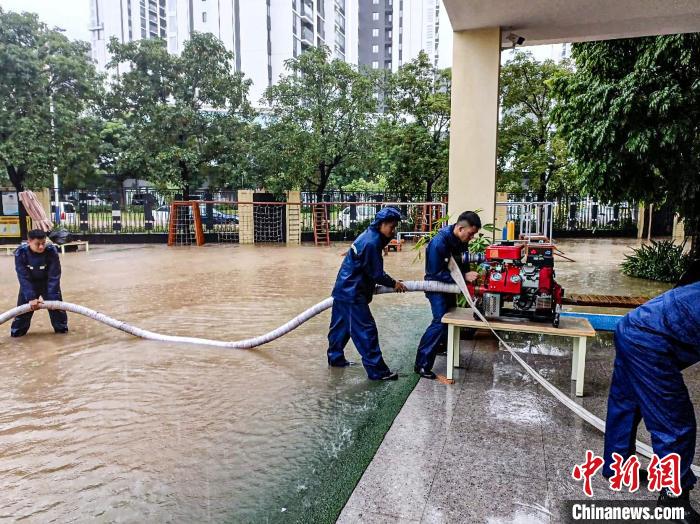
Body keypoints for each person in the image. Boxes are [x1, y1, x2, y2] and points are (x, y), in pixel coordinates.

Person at [603, 259, 700, 523]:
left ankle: (618, 467)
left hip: (631, 326)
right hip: (649, 342)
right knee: (675, 421)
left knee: (627, 403)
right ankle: (673, 497)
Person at [327, 207, 407, 381]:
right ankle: (378, 372)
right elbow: (377, 273)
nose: (393, 231)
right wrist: (395, 283)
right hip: (353, 294)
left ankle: (335, 360)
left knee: (340, 329)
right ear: (382, 224)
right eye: (391, 227)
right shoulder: (371, 243)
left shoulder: (369, 235)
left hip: (343, 289)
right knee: (366, 332)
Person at [414, 211, 481, 379]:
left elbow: (461, 263)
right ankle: (421, 365)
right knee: (440, 321)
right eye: (471, 234)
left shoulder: (460, 240)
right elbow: (435, 273)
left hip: (450, 285)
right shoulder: (439, 243)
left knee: (449, 317)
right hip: (436, 287)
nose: (471, 238)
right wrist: (464, 278)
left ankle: (442, 347)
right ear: (460, 228)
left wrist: (468, 275)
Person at [10, 229, 68, 337]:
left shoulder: (51, 251)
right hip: (29, 284)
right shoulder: (20, 253)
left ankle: (62, 333)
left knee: (57, 310)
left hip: (48, 283)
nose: (41, 247)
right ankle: (17, 334)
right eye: (37, 244)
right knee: (22, 313)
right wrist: (31, 297)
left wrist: (52, 297)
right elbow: (23, 276)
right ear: (29, 242)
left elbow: (54, 275)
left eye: (43, 243)